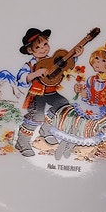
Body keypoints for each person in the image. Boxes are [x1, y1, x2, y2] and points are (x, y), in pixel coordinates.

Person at [46, 41, 106, 160]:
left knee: (86, 124)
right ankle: (64, 143)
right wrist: (80, 91)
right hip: (88, 106)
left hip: (103, 110)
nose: (97, 63)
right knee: (72, 116)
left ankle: (70, 146)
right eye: (96, 59)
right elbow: (87, 96)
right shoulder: (91, 79)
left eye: (103, 61)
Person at [15, 27, 83, 157]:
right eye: (38, 47)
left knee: (63, 105)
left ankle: (46, 129)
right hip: (37, 94)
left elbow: (65, 65)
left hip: (51, 91)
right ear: (30, 50)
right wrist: (35, 73)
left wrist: (75, 56)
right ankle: (22, 141)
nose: (43, 49)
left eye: (45, 44)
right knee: (36, 116)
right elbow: (21, 78)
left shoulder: (52, 60)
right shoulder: (30, 65)